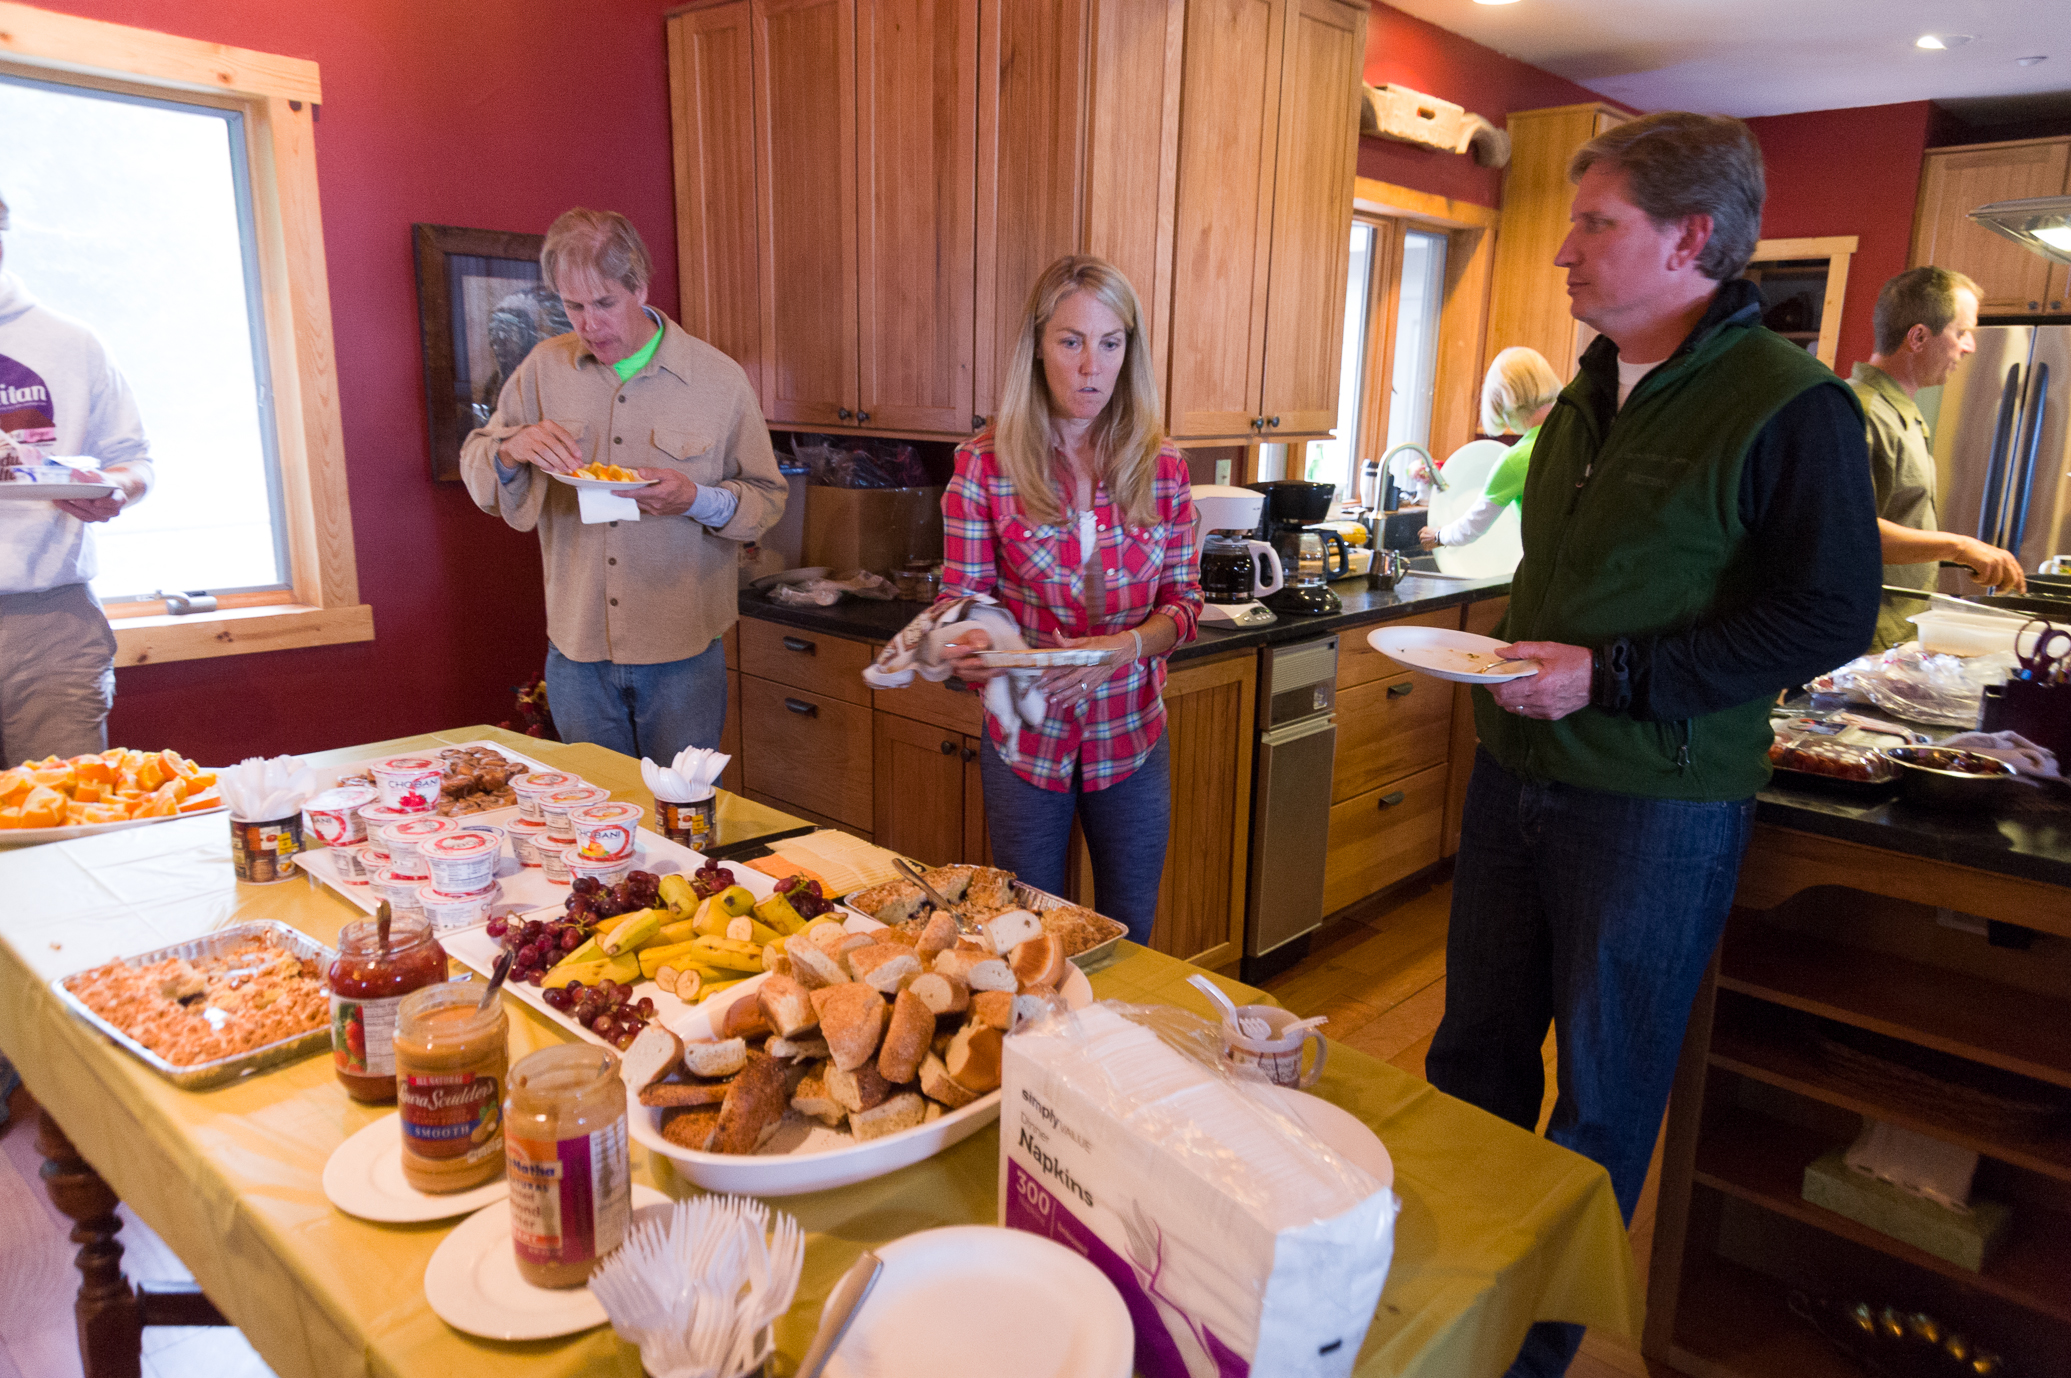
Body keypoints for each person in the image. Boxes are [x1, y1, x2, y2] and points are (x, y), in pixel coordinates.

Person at [1424, 112, 1881, 1378]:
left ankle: (1530, 1352)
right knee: (1470, 1060)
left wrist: (1612, 675)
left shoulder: (1790, 404)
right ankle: (1445, 1316)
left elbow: (1830, 610)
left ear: (1690, 238)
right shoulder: (1583, 387)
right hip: (1516, 772)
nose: (1563, 249)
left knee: (1604, 1099)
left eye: (1593, 221)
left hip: (1655, 806)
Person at [937, 256, 1202, 944]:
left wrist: (1122, 648)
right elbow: (960, 603)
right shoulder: (984, 465)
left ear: (1128, 353)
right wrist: (964, 647)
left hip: (1131, 737)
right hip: (1026, 739)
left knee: (1129, 934)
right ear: (1038, 346)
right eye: (1071, 341)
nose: (1091, 366)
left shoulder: (1161, 463)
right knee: (1026, 936)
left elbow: (1183, 602)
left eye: (1109, 343)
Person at [459, 208, 784, 764]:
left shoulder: (719, 378)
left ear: (640, 287)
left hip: (683, 651)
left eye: (604, 303)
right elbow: (478, 462)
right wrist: (510, 449)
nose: (588, 324)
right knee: (591, 821)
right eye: (573, 306)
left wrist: (696, 499)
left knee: (682, 816)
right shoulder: (542, 370)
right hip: (576, 651)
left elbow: (767, 498)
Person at [0, 185, 154, 771]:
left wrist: (117, 488)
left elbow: (134, 457)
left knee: (64, 819)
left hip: (52, 624)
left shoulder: (69, 342)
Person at [1850, 266, 2025, 651]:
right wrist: (1960, 547)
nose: (1970, 346)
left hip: (1894, 634)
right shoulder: (1861, 412)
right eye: (1962, 332)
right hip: (1857, 640)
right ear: (1917, 337)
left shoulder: (1906, 412)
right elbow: (1848, 530)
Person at [1419, 346, 1561, 551]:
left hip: (1550, 569)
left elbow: (1472, 526)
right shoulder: (1578, 433)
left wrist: (1439, 536)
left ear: (1500, 402)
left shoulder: (1517, 459)